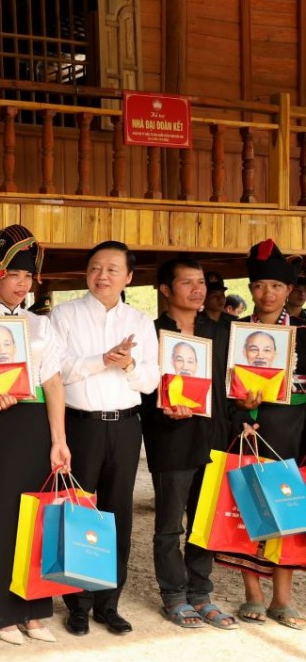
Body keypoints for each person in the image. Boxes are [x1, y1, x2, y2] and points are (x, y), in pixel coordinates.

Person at [0, 226, 71, 645]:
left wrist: (59, 439)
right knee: (0, 516)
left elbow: (55, 381)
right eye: (14, 275)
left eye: (27, 277)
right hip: (1, 425)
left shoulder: (39, 326)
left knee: (37, 516)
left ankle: (35, 611)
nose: (22, 283)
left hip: (37, 425)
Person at [49, 240, 160, 636]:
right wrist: (103, 360)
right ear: (86, 273)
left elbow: (151, 381)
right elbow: (58, 371)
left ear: (129, 277)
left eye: (113, 269)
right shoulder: (63, 315)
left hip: (127, 426)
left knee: (118, 516)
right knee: (77, 513)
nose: (103, 276)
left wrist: (128, 363)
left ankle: (107, 603)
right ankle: (76, 604)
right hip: (82, 425)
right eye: (96, 267)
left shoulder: (141, 322)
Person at [143, 257, 236, 630]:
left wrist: (243, 416)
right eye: (188, 283)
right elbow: (143, 389)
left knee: (204, 523)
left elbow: (230, 388)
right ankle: (174, 596)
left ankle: (201, 593)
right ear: (166, 290)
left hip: (214, 439)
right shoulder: (152, 334)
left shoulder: (220, 332)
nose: (198, 290)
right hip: (171, 438)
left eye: (201, 283)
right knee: (169, 525)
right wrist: (164, 409)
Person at [217, 239, 306, 630]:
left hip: (294, 435)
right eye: (258, 286)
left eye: (275, 286)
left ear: (289, 291)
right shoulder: (233, 334)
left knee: (286, 513)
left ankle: (282, 600)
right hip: (247, 432)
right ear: (251, 289)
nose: (266, 293)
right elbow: (221, 391)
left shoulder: (304, 334)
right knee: (247, 511)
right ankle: (252, 594)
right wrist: (240, 408)